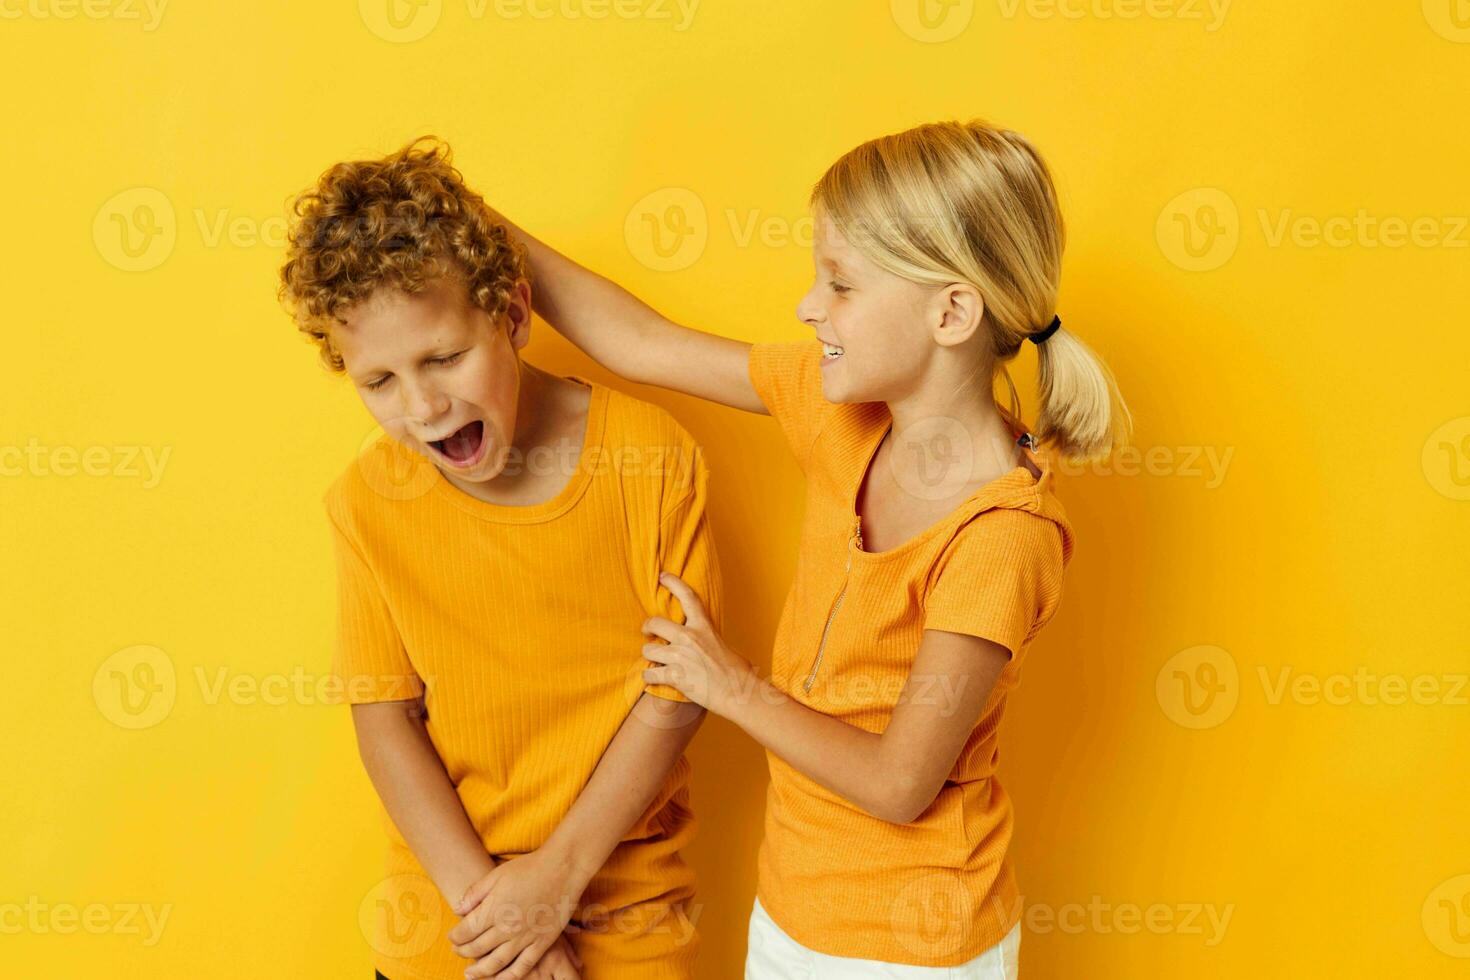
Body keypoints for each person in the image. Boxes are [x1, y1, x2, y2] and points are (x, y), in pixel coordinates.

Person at [487, 119, 1132, 977]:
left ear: (951, 312)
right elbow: (638, 341)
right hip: (795, 912)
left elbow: (901, 786)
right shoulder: (840, 415)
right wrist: (478, 223)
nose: (808, 305)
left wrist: (728, 686)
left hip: (915, 948)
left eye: (840, 284)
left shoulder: (1002, 536)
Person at [278, 137, 723, 980]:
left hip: (627, 910)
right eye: (379, 382)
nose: (423, 406)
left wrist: (553, 885)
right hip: (450, 917)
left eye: (443, 358)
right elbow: (385, 719)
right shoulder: (368, 502)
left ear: (514, 315)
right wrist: (496, 916)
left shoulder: (650, 455)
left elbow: (678, 694)